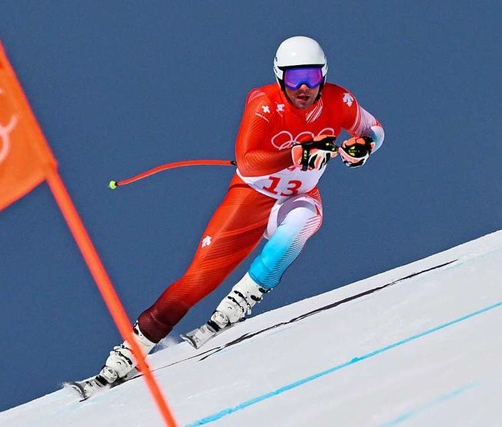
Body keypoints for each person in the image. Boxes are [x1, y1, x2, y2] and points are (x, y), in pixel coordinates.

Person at [96, 36, 384, 385]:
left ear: (324, 75)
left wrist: (363, 146)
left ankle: (246, 294)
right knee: (196, 283)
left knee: (306, 219)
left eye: (311, 76)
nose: (304, 87)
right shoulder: (263, 102)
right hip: (251, 198)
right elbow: (248, 161)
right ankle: (132, 350)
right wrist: (295, 153)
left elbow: (373, 129)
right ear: (280, 77)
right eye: (294, 78)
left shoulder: (339, 100)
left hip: (296, 198)